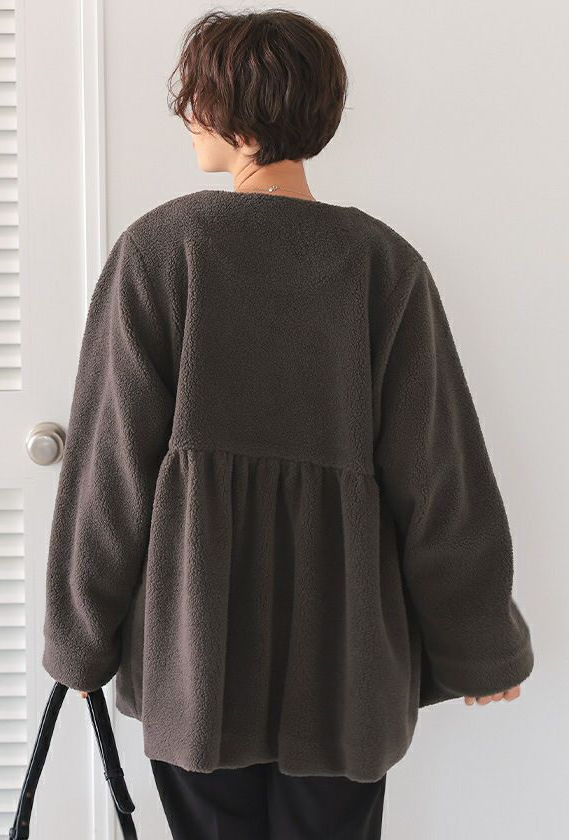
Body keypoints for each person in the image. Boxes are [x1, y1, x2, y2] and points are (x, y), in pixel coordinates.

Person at [42, 8, 534, 839]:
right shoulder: (383, 264)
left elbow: (110, 470)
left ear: (234, 114)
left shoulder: (162, 251)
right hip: (345, 674)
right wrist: (480, 641)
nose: (186, 116)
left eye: (197, 98)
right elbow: (439, 476)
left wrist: (80, 639)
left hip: (197, 665)